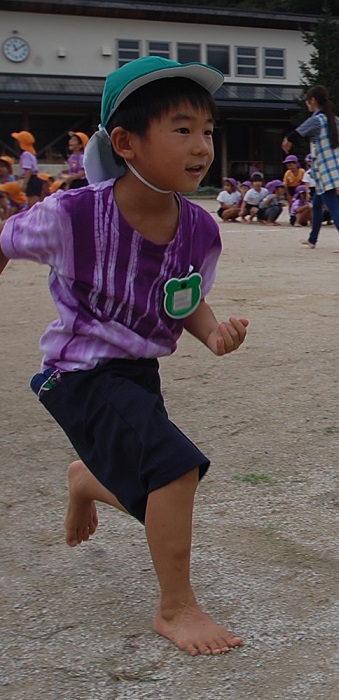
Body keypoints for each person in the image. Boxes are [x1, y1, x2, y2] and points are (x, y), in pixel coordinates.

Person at [0, 55, 248, 656]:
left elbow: (184, 296)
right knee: (174, 469)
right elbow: (3, 240)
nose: (201, 146)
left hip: (138, 372)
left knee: (155, 491)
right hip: (78, 373)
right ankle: (176, 609)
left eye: (208, 131)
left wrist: (212, 332)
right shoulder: (72, 215)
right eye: (183, 129)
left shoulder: (199, 230)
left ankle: (89, 480)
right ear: (126, 143)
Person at [281, 85, 339, 253]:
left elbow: (298, 132)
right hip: (333, 168)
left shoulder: (318, 119)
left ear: (312, 100)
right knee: (316, 205)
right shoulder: (337, 120)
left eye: (307, 101)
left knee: (333, 207)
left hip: (324, 170)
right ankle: (312, 240)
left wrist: (287, 140)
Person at [11, 130, 44, 208]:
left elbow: (29, 170)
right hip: (34, 179)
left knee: (32, 206)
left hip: (32, 181)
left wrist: (24, 184)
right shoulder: (31, 154)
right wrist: (21, 176)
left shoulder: (25, 154)